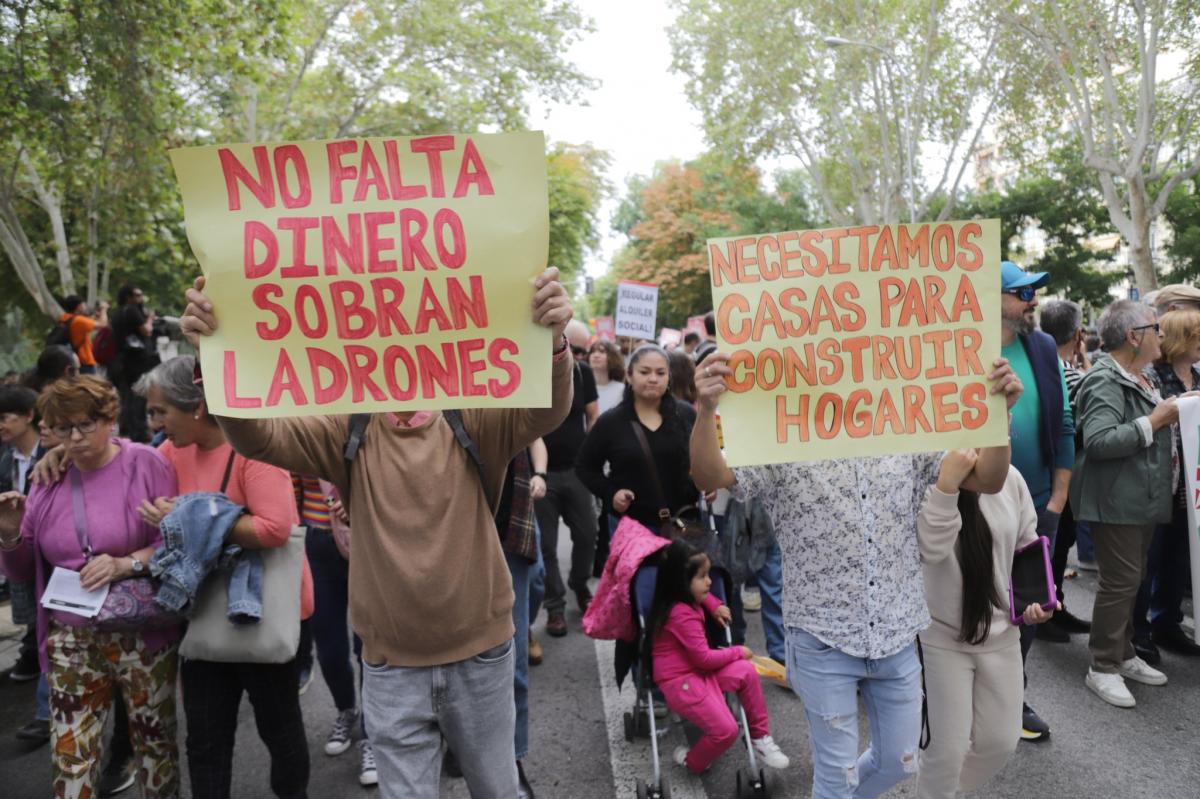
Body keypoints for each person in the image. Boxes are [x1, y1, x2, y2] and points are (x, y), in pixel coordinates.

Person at [179, 267, 574, 798]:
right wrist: (214, 358)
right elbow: (260, 437)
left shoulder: (475, 413)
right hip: (391, 669)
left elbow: (547, 408)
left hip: (480, 659)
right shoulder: (347, 424)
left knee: (497, 790)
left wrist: (552, 343)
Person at [689, 349, 1021, 799]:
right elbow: (710, 475)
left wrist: (995, 419)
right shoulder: (783, 435)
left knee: (901, 760)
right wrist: (707, 410)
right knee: (835, 776)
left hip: (897, 632)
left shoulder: (904, 425)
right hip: (823, 638)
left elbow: (988, 479)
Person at [130, 355, 313, 799]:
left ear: (194, 406)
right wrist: (55, 455)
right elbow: (118, 466)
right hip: (201, 609)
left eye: (161, 411)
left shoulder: (252, 447)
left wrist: (195, 515)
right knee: (206, 740)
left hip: (265, 609)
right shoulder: (167, 452)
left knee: (280, 730)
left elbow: (275, 528)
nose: (155, 422)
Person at [0, 376, 180, 797]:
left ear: (109, 419)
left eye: (85, 425)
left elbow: (173, 542)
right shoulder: (49, 476)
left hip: (142, 632)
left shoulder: (145, 464)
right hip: (71, 635)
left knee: (155, 746)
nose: (75, 438)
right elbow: (24, 569)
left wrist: (125, 563)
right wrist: (9, 535)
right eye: (63, 429)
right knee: (71, 754)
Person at [916, 449, 1057, 799]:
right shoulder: (925, 475)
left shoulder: (1011, 478)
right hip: (940, 638)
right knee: (944, 753)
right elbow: (930, 549)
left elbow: (1026, 544)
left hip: (1002, 633)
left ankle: (934, 782)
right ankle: (936, 785)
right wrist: (947, 486)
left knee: (999, 743)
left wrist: (1038, 599)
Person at [1071, 299, 1174, 708]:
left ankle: (1124, 653)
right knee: (1121, 583)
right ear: (1134, 336)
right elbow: (1098, 442)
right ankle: (1103, 666)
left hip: (1137, 498)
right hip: (1116, 499)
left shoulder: (1139, 375)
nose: (1162, 335)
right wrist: (1155, 421)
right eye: (1156, 328)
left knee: (1133, 579)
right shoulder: (1104, 380)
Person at [996, 261, 1075, 742]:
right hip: (975, 509)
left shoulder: (1042, 347)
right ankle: (967, 694)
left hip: (1040, 505)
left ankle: (1013, 694)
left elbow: (1065, 424)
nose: (1032, 300)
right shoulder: (958, 351)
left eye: (1034, 291)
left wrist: (1059, 498)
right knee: (977, 606)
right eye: (1021, 292)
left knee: (1030, 607)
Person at [648, 539, 789, 775]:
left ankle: (760, 737)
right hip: (681, 681)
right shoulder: (681, 614)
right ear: (683, 582)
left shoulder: (684, 598)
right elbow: (703, 659)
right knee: (726, 730)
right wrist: (736, 651)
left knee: (746, 670)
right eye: (702, 576)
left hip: (697, 671)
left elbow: (702, 659)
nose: (709, 581)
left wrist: (713, 603)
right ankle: (693, 761)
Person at [1132, 308, 1200, 659]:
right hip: (1160, 482)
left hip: (1193, 487)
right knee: (1149, 561)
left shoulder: (1199, 375)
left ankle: (1167, 624)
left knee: (1179, 559)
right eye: (1197, 334)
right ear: (1181, 339)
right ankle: (1137, 631)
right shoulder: (1152, 378)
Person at [577, 345, 698, 536]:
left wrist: (706, 484)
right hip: (632, 529)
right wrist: (611, 493)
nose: (653, 379)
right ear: (629, 375)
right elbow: (584, 467)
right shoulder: (611, 421)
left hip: (682, 525)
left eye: (660, 373)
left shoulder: (686, 414)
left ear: (668, 378)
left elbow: (700, 459)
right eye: (644, 372)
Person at [535, 318, 599, 637]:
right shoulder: (533, 371)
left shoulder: (583, 373)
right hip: (542, 474)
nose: (575, 355)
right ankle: (555, 607)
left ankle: (579, 583)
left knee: (588, 534)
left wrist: (593, 454)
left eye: (580, 351)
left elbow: (593, 415)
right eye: (571, 347)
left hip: (576, 470)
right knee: (545, 544)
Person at [1036, 299, 1094, 643]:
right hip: (1066, 478)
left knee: (1055, 547)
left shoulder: (1044, 370)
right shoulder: (1070, 374)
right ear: (1078, 334)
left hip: (1053, 478)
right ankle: (1048, 609)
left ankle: (1053, 606)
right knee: (1056, 546)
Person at [0, 385, 50, 745]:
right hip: (18, 546)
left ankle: (46, 712)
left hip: (50, 549)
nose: (0, 425)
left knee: (51, 624)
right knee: (33, 615)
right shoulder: (5, 458)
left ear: (29, 416)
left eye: (5, 418)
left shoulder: (55, 454)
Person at [111, 284, 159, 443]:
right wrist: (150, 319)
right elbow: (147, 331)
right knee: (140, 395)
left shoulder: (116, 313)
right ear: (128, 297)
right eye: (137, 295)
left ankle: (126, 429)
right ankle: (139, 431)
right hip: (139, 361)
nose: (141, 299)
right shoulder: (132, 310)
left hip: (123, 362)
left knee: (127, 397)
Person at [56, 294, 108, 375]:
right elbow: (103, 324)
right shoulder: (78, 321)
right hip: (84, 361)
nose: (85, 306)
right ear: (79, 306)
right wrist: (104, 309)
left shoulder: (65, 318)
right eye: (84, 304)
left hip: (73, 359)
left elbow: (87, 322)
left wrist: (96, 315)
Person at [588, 339, 626, 415]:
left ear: (612, 357)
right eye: (593, 352)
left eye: (602, 352)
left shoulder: (622, 390)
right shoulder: (583, 388)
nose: (596, 355)